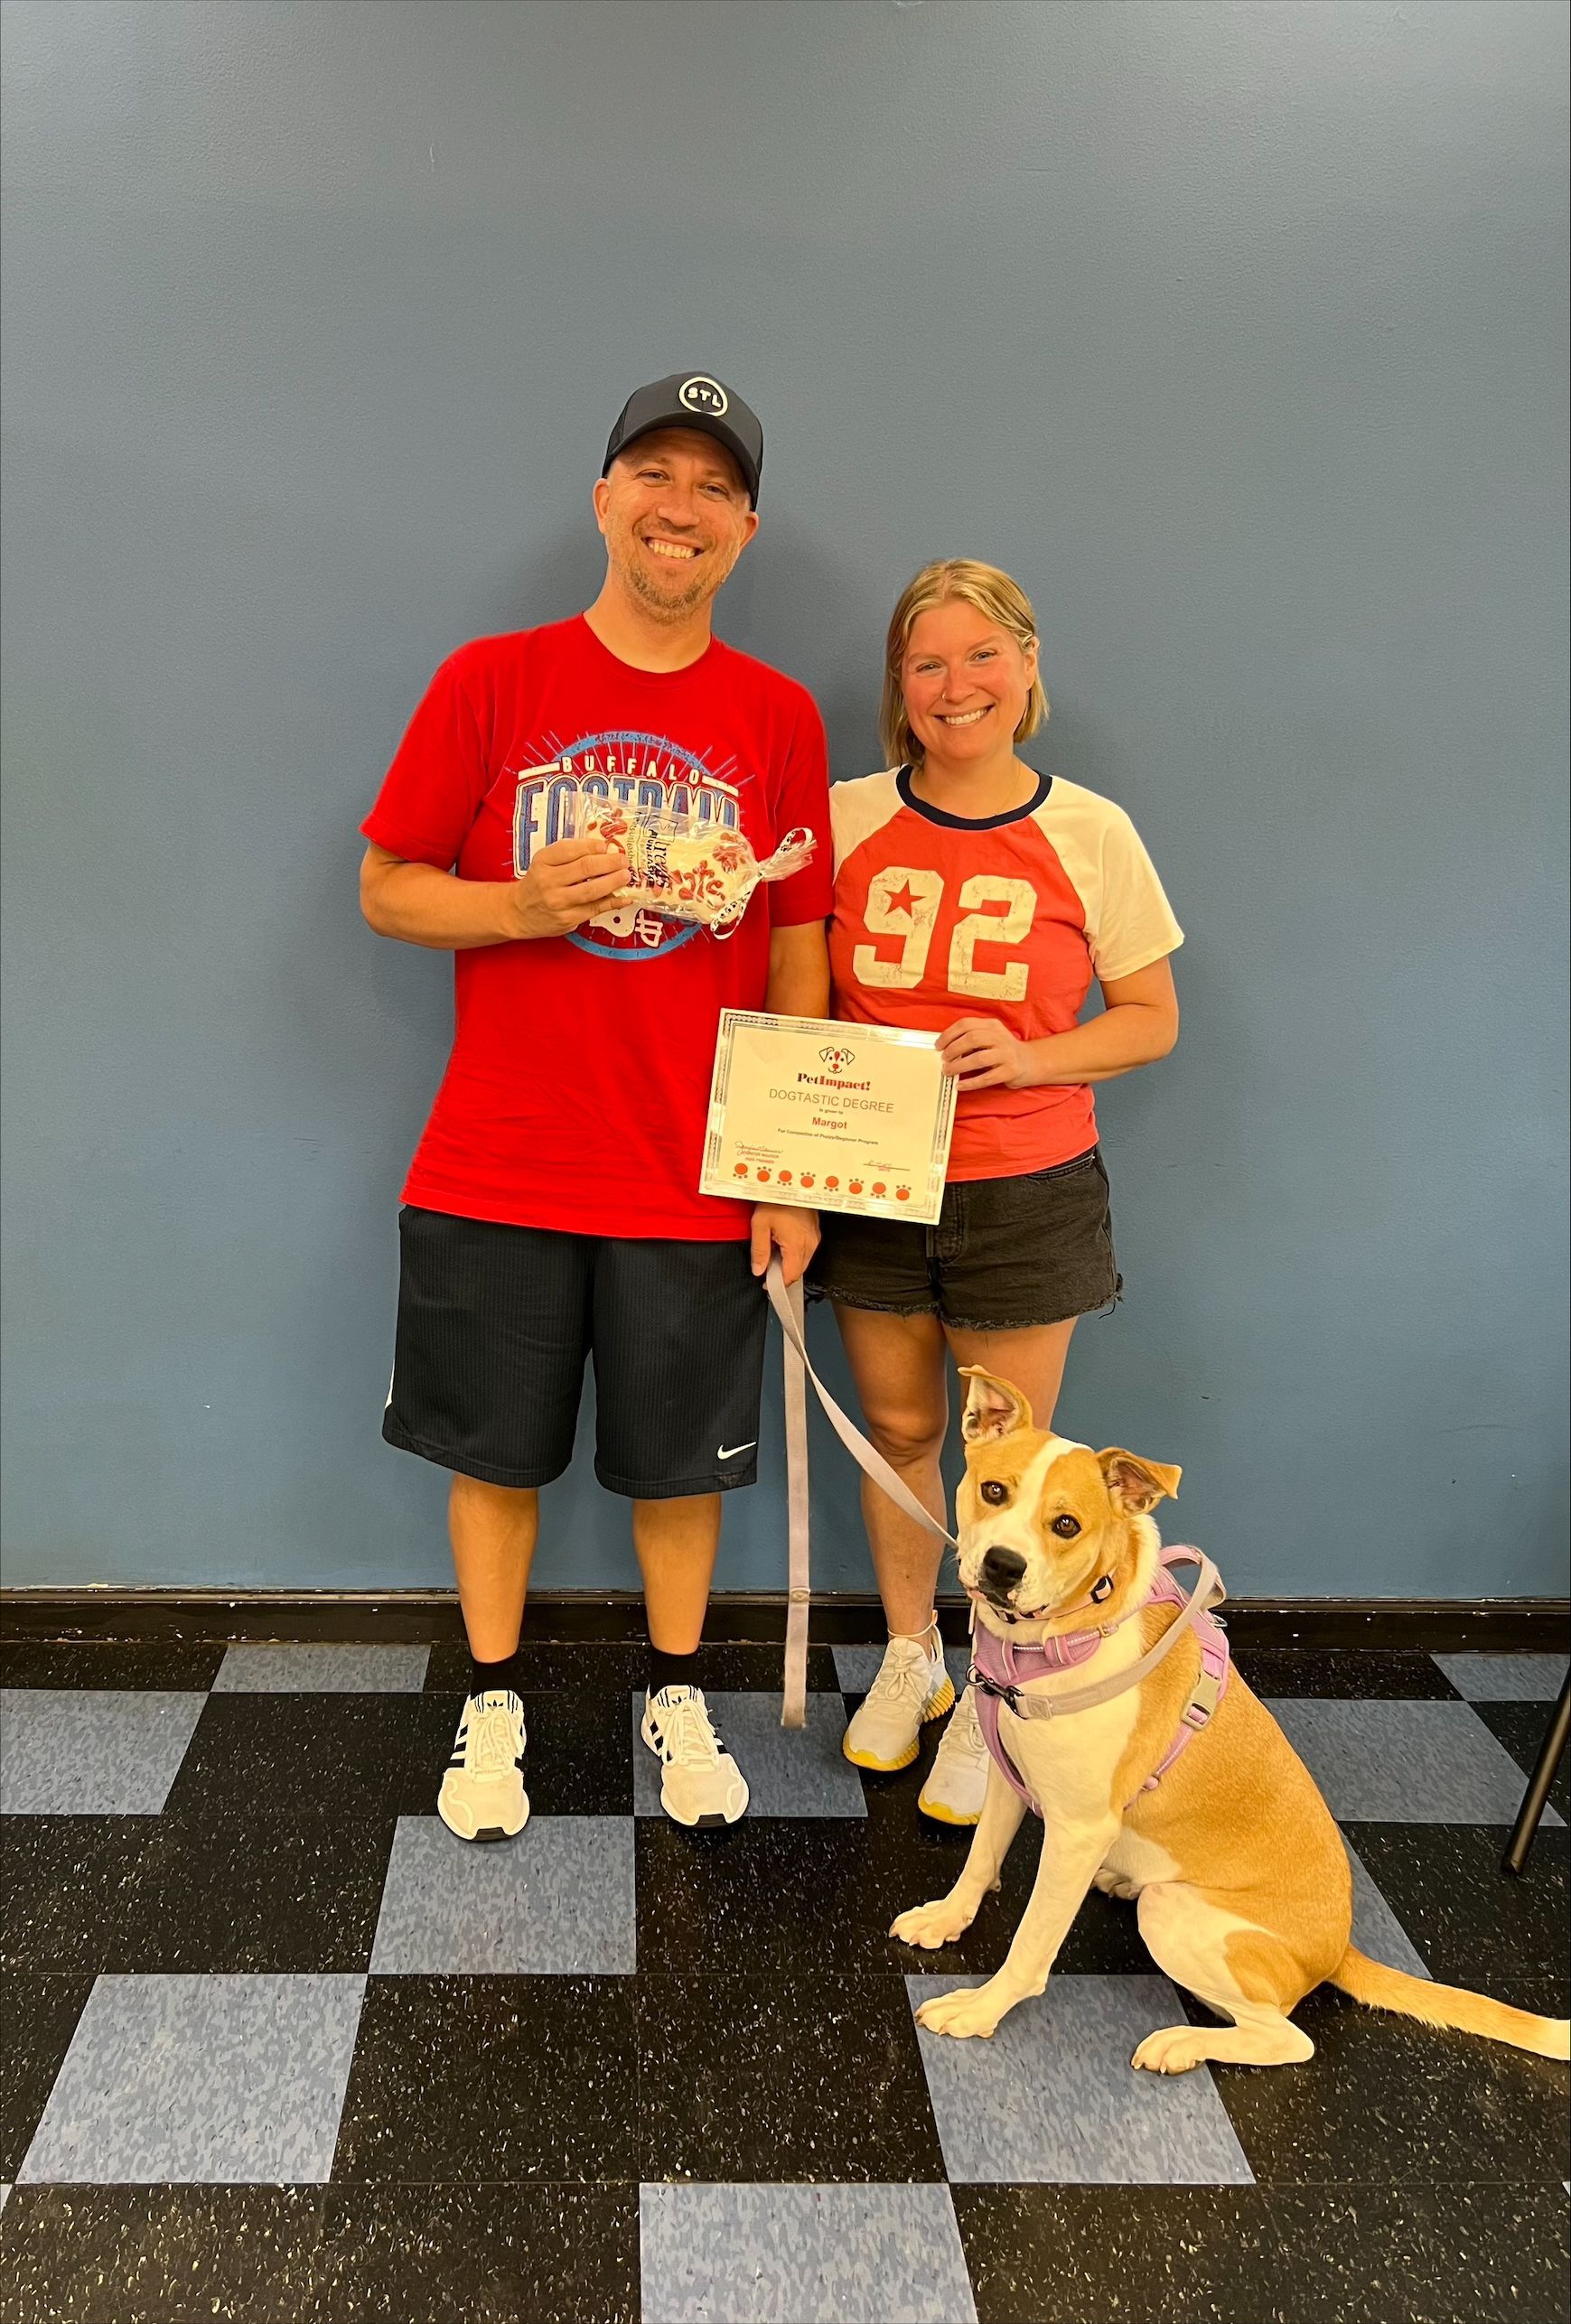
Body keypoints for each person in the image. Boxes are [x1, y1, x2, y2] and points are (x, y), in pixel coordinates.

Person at [360, 372, 831, 1839]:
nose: (677, 507)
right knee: (491, 1455)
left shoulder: (777, 715)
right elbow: (385, 887)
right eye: (652, 473)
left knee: (677, 1464)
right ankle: (491, 1696)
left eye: (710, 486)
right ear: (604, 499)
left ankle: (674, 1690)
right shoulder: (491, 679)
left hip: (693, 1171)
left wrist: (788, 1166)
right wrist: (516, 900)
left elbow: (800, 947)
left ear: (744, 527)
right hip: (498, 1157)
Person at [813, 558, 1182, 1823]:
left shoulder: (1092, 829)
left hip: (1024, 1184)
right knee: (900, 1429)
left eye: (981, 656)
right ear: (898, 687)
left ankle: (993, 1690)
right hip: (870, 1177)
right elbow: (794, 1002)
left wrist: (1030, 1053)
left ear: (1027, 667)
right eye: (927, 663)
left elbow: (1150, 1018)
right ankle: (911, 1656)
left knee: (1006, 1462)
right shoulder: (847, 814)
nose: (955, 685)